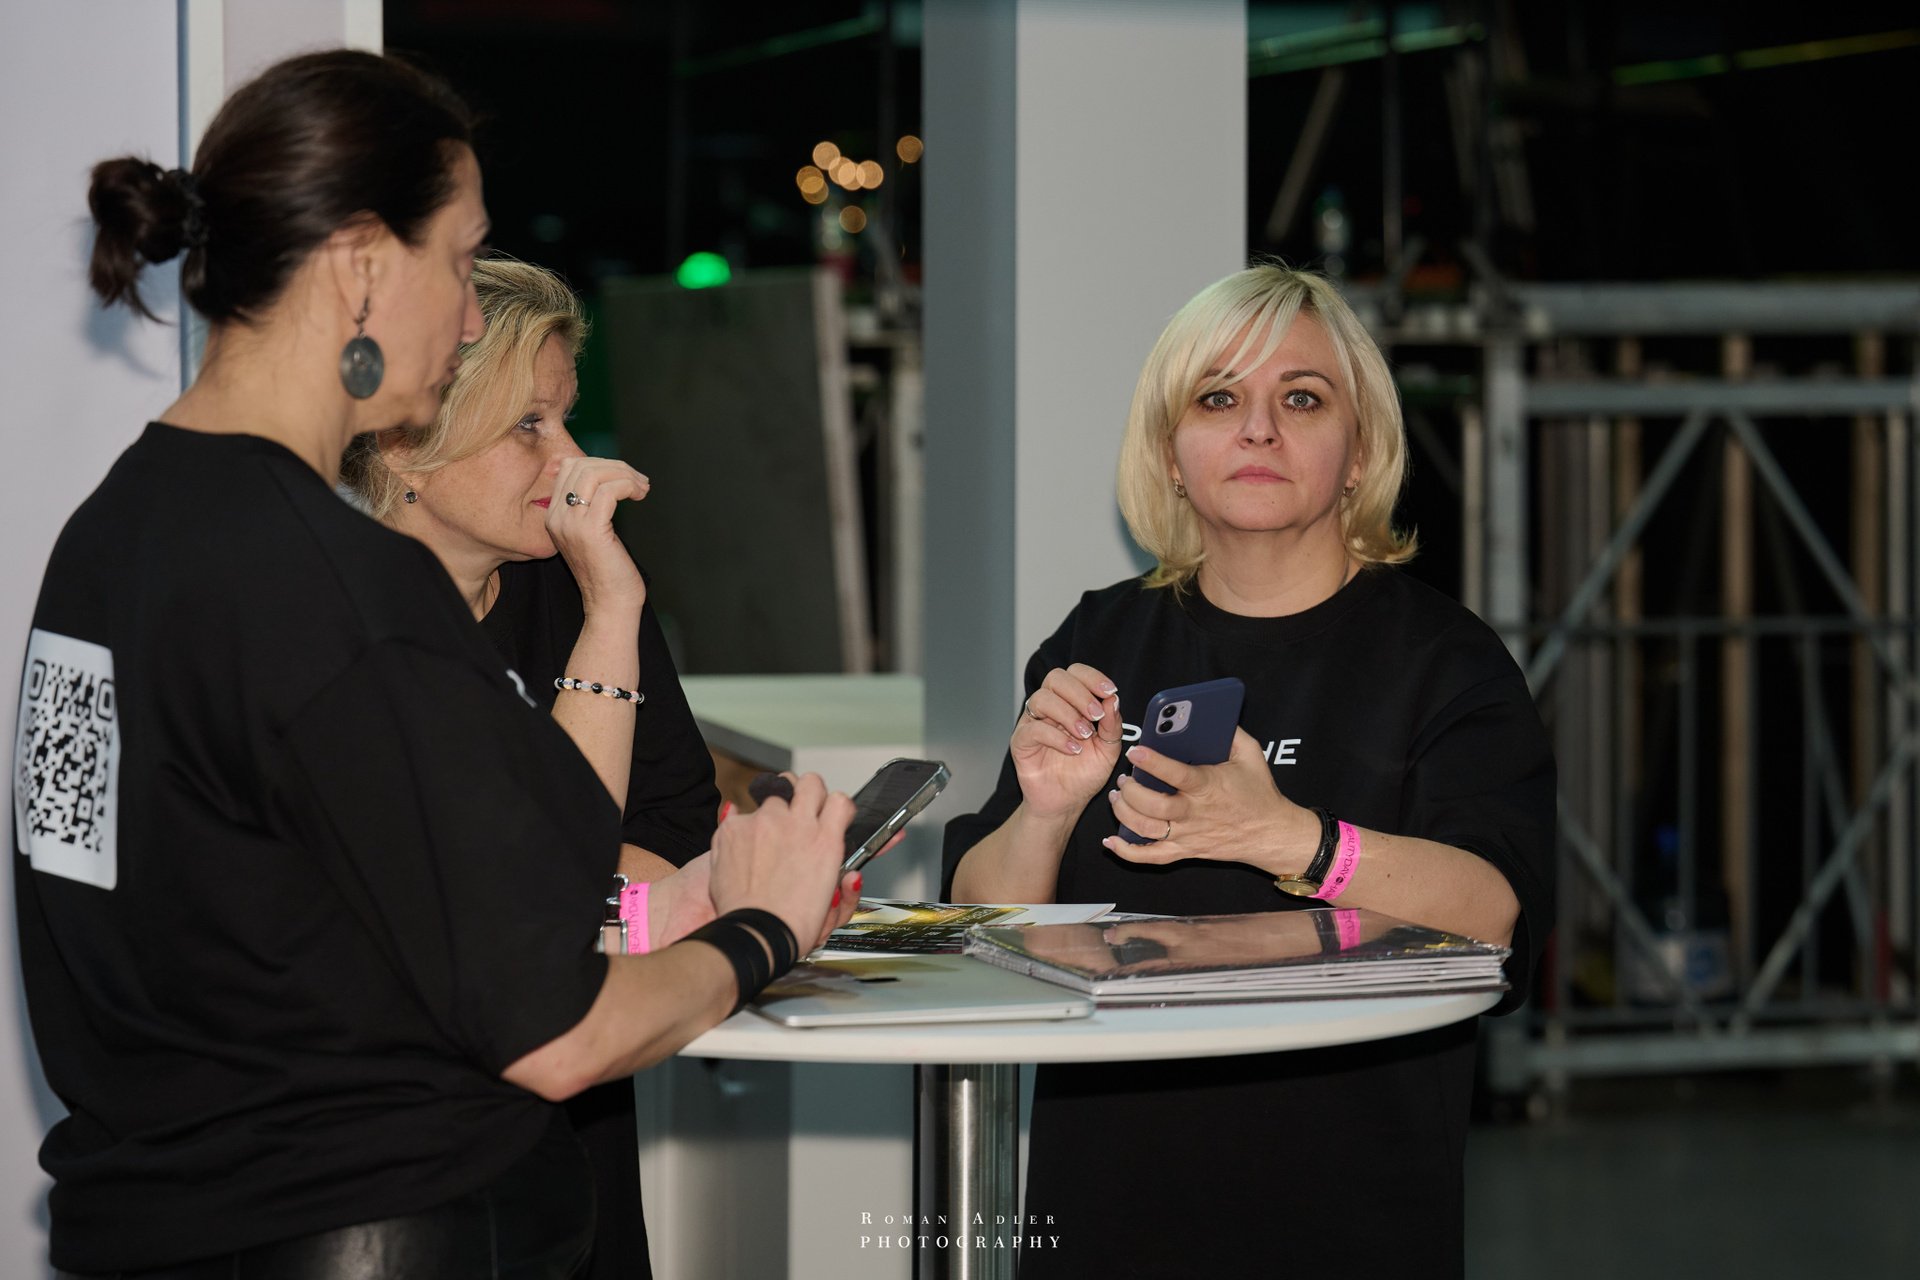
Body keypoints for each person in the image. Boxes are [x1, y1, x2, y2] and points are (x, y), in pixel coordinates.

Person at [24, 50, 857, 1279]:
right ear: (364, 263)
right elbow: (561, 1031)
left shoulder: (110, 537)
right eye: (462, 262)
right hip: (373, 1222)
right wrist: (763, 927)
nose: (470, 316)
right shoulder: (340, 594)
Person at [944, 265, 1554, 1277]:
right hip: (1103, 1213)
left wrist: (1293, 840)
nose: (1259, 429)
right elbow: (979, 924)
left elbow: (1498, 916)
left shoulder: (1447, 662)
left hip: (1350, 1220)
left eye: (1301, 399)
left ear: (1361, 453)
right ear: (1171, 455)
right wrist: (1044, 815)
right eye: (1218, 398)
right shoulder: (1102, 636)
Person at [339, 257, 720, 1280]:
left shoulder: (573, 585)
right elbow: (533, 880)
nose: (572, 459)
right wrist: (613, 616)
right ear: (407, 445)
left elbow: (676, 820)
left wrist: (612, 609)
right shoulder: (353, 627)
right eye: (528, 426)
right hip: (408, 1144)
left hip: (581, 1084)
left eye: (566, 419)